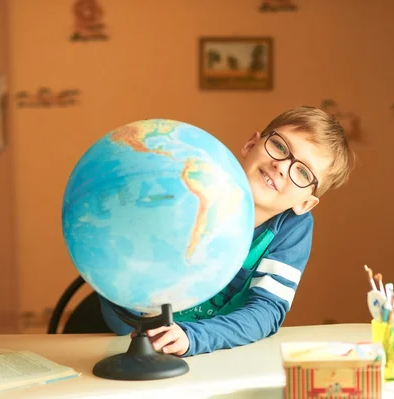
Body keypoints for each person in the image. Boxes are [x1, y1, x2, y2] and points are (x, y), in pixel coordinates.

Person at [98, 105, 354, 357]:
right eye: (280, 146)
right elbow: (122, 318)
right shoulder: (188, 186)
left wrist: (192, 337)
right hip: (131, 340)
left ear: (305, 203)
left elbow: (267, 311)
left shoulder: (292, 228)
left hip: (212, 353)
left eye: (302, 171)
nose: (282, 166)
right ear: (250, 145)